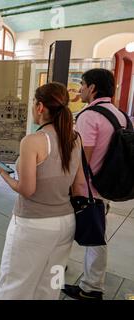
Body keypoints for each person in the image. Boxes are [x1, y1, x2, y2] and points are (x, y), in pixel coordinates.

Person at [0, 82, 85, 300]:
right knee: (51, 282)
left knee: (14, 283)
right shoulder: (74, 138)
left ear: (40, 107)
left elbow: (27, 189)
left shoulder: (33, 141)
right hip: (66, 223)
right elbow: (79, 184)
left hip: (33, 225)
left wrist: (4, 175)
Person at [62, 68, 127, 300]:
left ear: (92, 88)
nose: (80, 89)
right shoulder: (120, 115)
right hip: (107, 184)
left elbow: (82, 158)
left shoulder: (89, 116)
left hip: (86, 189)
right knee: (97, 236)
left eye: (82, 84)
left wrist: (65, 184)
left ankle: (90, 288)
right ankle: (90, 284)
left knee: (80, 236)